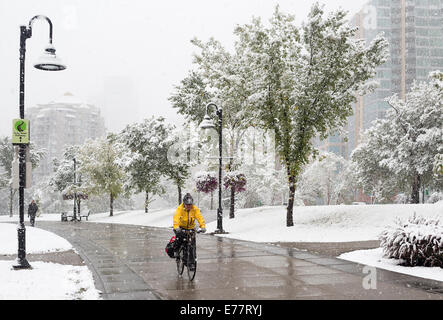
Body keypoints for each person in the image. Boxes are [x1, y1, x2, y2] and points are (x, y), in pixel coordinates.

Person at [173, 193, 206, 271]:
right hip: (181, 228)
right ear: (184, 204)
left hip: (191, 228)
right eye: (187, 205)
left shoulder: (195, 209)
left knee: (191, 246)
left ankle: (191, 263)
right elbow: (176, 218)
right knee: (179, 239)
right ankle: (176, 251)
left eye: (190, 205)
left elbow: (200, 218)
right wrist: (176, 227)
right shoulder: (180, 209)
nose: (189, 206)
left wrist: (203, 226)